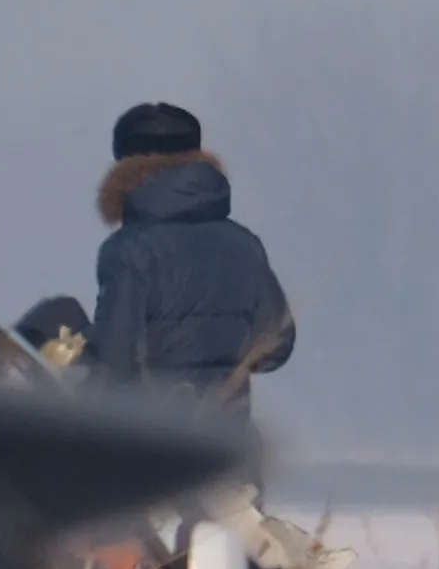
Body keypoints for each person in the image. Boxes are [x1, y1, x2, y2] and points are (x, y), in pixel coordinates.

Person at [88, 102, 295, 403]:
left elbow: (114, 358)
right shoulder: (244, 244)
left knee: (59, 316)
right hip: (220, 435)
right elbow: (277, 345)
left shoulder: (129, 248)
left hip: (145, 433)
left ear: (124, 169)